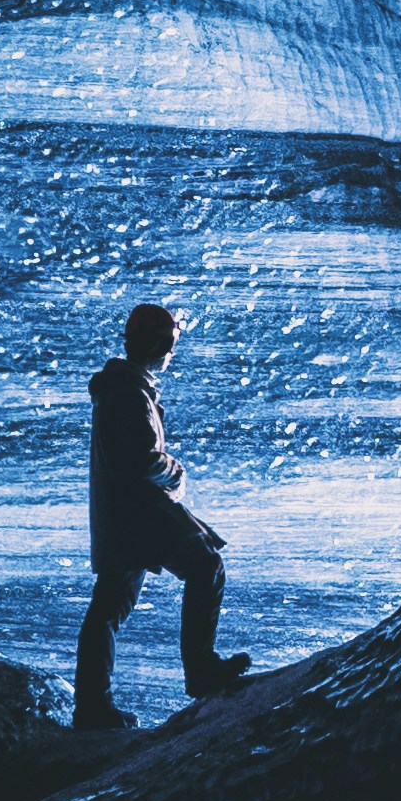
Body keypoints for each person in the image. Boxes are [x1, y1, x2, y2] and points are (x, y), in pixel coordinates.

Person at [71, 300, 251, 729]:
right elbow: (145, 460)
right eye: (170, 344)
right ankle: (201, 670)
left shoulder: (122, 389)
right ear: (156, 344)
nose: (172, 353)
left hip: (122, 515)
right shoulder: (131, 394)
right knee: (206, 566)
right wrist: (176, 471)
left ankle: (92, 706)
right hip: (141, 512)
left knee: (109, 606)